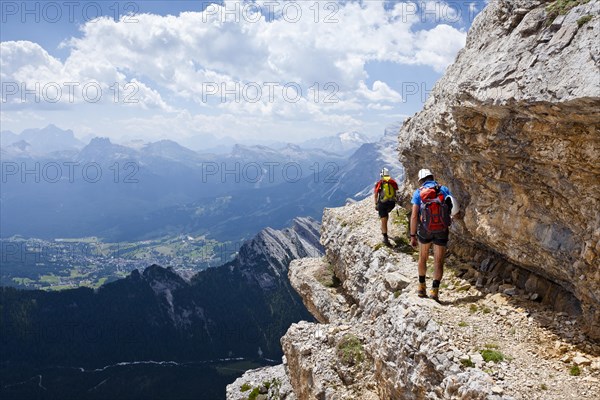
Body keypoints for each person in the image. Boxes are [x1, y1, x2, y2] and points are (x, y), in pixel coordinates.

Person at [409, 168, 459, 301]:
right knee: (438, 260)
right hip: (441, 229)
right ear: (432, 177)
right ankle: (435, 291)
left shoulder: (418, 193)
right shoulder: (444, 190)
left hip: (425, 229)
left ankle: (421, 286)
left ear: (421, 180)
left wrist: (412, 235)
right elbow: (453, 209)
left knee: (423, 257)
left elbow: (414, 216)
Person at [374, 167, 399, 246]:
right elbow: (396, 191)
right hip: (391, 204)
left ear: (382, 175)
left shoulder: (380, 183)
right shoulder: (393, 182)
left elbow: (375, 195)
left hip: (383, 204)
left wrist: (376, 204)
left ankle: (385, 237)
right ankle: (384, 229)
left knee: (383, 219)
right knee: (386, 216)